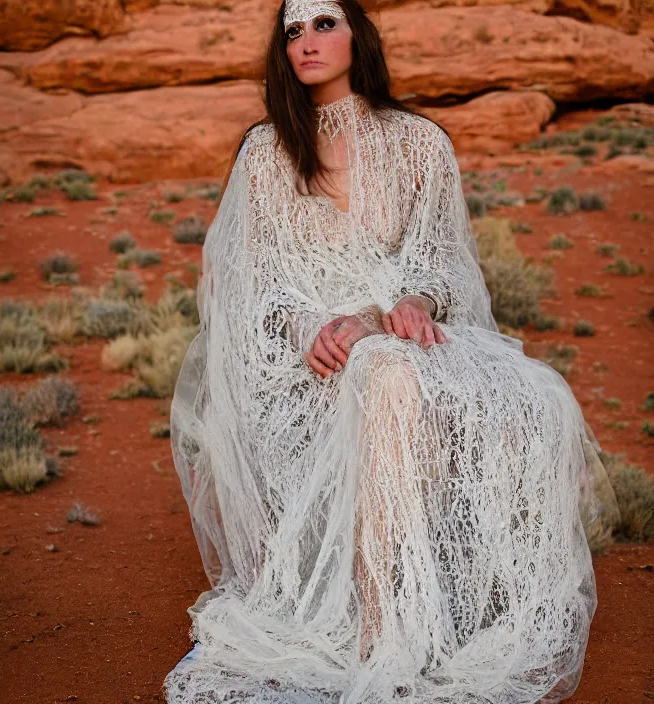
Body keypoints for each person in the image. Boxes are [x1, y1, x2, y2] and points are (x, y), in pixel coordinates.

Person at [164, 1, 603, 701]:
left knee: (535, 389)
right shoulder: (267, 151)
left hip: (401, 335)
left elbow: (443, 267)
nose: (306, 41)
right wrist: (312, 327)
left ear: (357, 35)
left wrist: (409, 304)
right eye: (293, 31)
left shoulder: (421, 142)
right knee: (385, 373)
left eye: (323, 23)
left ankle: (439, 605)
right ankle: (379, 630)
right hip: (305, 363)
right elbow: (251, 288)